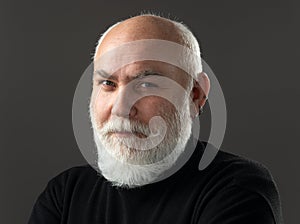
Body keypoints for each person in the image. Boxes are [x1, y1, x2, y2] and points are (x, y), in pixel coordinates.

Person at [28, 14, 283, 224]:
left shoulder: (235, 188)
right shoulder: (66, 194)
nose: (121, 108)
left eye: (147, 84)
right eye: (108, 83)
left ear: (195, 95)